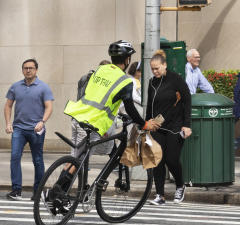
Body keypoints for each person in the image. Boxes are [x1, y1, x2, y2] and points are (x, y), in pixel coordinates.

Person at [57, 41, 148, 198]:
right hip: (94, 122)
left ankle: (67, 192)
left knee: (78, 158)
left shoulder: (99, 70)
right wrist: (144, 123)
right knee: (78, 161)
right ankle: (57, 193)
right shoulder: (124, 80)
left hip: (78, 115)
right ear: (127, 59)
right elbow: (131, 108)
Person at [144, 50, 192, 205]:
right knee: (157, 160)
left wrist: (187, 125)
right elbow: (150, 106)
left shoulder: (176, 79)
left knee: (171, 159)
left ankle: (180, 185)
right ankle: (160, 195)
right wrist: (146, 124)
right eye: (152, 68)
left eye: (157, 68)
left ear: (164, 65)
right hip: (157, 126)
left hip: (175, 125)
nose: (155, 71)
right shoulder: (152, 83)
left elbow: (187, 101)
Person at [4, 58, 54, 200]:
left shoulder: (43, 87)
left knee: (37, 160)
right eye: (25, 68)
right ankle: (16, 190)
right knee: (14, 157)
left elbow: (49, 106)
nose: (28, 70)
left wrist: (42, 121)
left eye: (31, 68)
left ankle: (38, 192)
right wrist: (8, 123)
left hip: (36, 130)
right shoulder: (15, 86)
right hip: (18, 129)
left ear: (36, 70)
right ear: (22, 70)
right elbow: (8, 105)